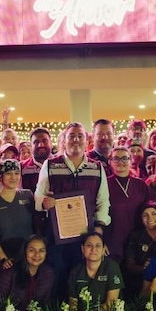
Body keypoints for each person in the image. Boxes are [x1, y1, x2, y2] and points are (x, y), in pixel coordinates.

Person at [35, 122, 111, 292]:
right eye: (71, 136)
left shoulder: (97, 167)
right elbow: (38, 195)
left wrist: (99, 227)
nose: (76, 140)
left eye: (80, 136)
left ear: (87, 141)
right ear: (64, 140)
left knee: (82, 276)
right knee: (56, 276)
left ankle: (80, 309)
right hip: (56, 235)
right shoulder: (50, 165)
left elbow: (103, 200)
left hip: (85, 234)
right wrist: (44, 202)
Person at [104, 146, 156, 264]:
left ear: (130, 160)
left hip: (138, 242)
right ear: (110, 162)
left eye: (124, 158)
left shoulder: (140, 185)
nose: (120, 162)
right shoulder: (104, 184)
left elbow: (153, 208)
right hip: (113, 241)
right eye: (116, 158)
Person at [0, 159, 35, 270]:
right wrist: (4, 259)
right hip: (5, 258)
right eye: (8, 174)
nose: (13, 177)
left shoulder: (27, 195)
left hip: (28, 256)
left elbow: (36, 226)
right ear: (0, 177)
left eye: (16, 173)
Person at [0, 234, 55, 308]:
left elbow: (46, 302)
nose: (37, 255)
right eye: (32, 250)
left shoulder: (48, 273)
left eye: (41, 250)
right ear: (25, 251)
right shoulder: (9, 272)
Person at [67, 232, 122, 310]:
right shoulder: (75, 271)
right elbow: (73, 305)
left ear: (103, 249)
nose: (93, 249)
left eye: (98, 246)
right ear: (82, 249)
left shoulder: (111, 267)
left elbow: (110, 305)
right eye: (89, 245)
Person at [123, 202, 156, 289]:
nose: (150, 218)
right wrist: (144, 268)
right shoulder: (135, 236)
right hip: (141, 280)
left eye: (154, 214)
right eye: (145, 215)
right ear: (142, 220)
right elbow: (130, 265)